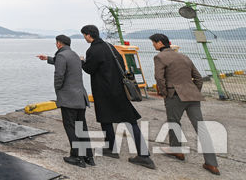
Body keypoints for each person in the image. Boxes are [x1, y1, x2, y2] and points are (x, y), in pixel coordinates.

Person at [80, 25, 155, 169]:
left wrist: (82, 61)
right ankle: (142, 154)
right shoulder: (110, 47)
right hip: (119, 90)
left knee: (105, 118)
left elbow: (89, 69)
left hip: (103, 91)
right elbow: (121, 63)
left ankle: (115, 149)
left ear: (89, 35)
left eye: (84, 35)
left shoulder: (93, 50)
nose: (84, 38)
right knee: (130, 121)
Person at [150, 33, 220, 175]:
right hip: (192, 95)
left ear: (160, 43)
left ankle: (177, 151)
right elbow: (198, 78)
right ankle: (212, 164)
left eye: (154, 43)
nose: (153, 45)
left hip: (175, 95)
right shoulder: (184, 56)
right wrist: (194, 91)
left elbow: (159, 78)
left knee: (174, 123)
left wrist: (165, 94)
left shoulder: (160, 57)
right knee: (201, 128)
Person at [38, 34, 95, 168]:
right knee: (81, 127)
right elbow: (62, 61)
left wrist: (58, 90)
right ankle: (88, 157)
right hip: (80, 97)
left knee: (70, 127)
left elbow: (59, 75)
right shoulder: (74, 55)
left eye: (56, 43)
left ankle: (77, 157)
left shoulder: (62, 56)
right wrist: (47, 58)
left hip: (69, 98)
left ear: (59, 44)